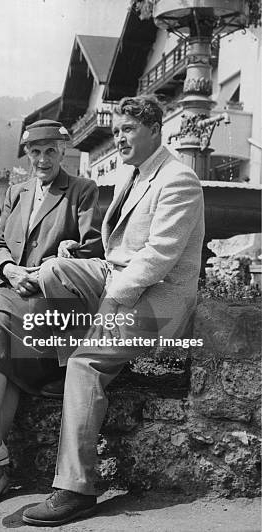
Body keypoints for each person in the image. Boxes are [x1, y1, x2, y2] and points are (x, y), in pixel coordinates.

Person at [22, 95, 205, 526]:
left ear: (155, 129)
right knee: (54, 272)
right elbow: (120, 247)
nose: (119, 137)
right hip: (120, 278)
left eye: (128, 130)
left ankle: (75, 489)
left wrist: (110, 304)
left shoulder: (178, 179)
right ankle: (62, 367)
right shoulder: (138, 174)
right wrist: (76, 252)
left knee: (87, 363)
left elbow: (157, 256)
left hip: (157, 301)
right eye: (118, 129)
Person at [0, 119, 103, 510]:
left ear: (63, 153)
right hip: (9, 286)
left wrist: (60, 258)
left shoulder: (81, 190)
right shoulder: (16, 191)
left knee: (5, 336)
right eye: (35, 152)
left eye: (50, 151)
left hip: (50, 295)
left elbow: (93, 249)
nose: (42, 159)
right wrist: (8, 268)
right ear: (27, 154)